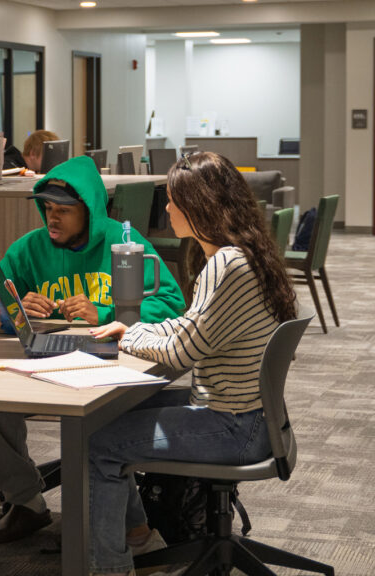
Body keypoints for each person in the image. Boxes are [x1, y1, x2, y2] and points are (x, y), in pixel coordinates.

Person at [84, 151, 297, 576]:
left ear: (199, 206)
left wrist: (130, 335)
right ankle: (139, 541)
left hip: (234, 426)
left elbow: (183, 351)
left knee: (99, 444)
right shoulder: (244, 254)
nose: (166, 208)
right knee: (105, 416)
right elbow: (191, 326)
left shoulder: (227, 265)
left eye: (173, 200)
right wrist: (134, 329)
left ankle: (111, 568)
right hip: (250, 416)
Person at [0, 155, 185, 544]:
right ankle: (25, 502)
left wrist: (105, 313)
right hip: (47, 358)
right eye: (47, 208)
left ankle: (129, 528)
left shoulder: (124, 243)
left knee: (96, 410)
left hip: (104, 363)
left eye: (64, 210)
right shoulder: (30, 248)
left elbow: (171, 305)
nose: (52, 218)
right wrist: (17, 306)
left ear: (88, 210)